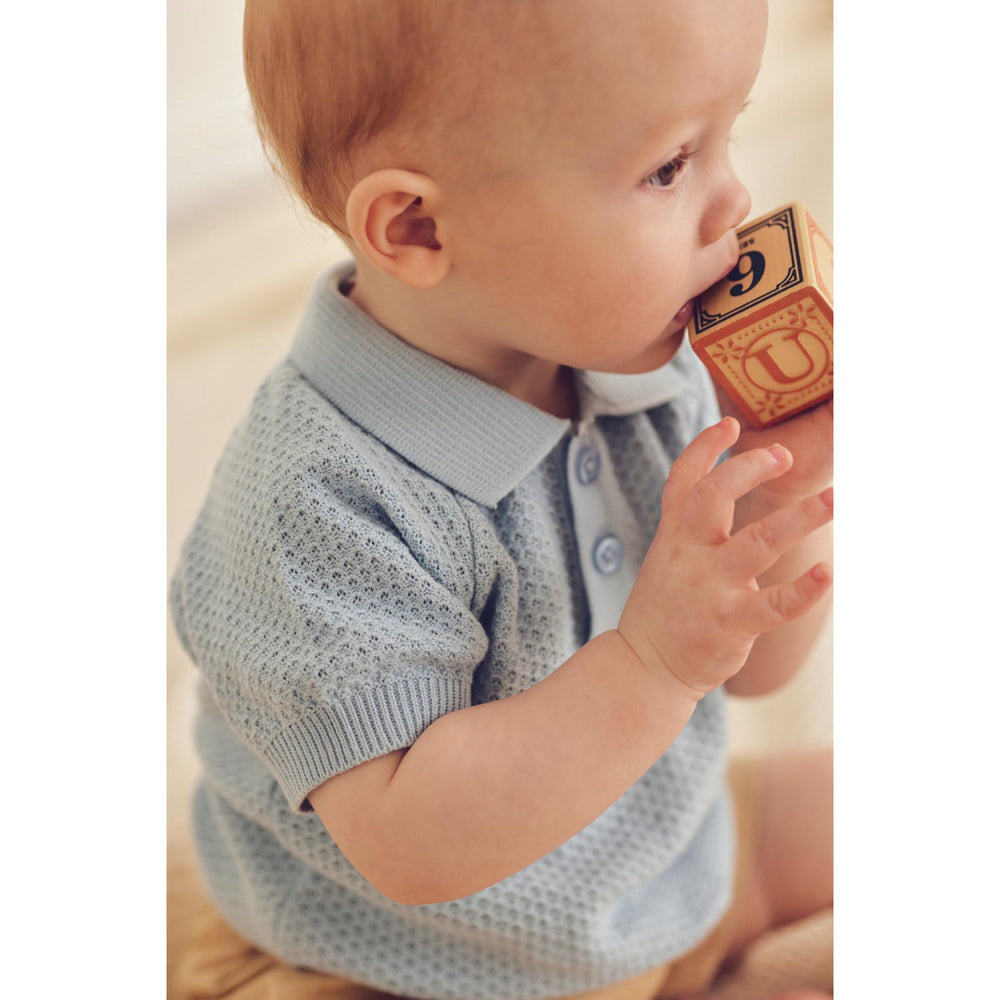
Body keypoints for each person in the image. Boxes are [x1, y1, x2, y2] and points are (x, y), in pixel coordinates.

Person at [170, 1, 833, 998]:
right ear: (417, 227)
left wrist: (778, 493)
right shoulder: (314, 504)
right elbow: (412, 848)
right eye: (668, 167)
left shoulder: (646, 360)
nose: (733, 199)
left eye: (727, 133)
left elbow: (757, 674)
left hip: (658, 863)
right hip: (402, 960)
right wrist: (654, 662)